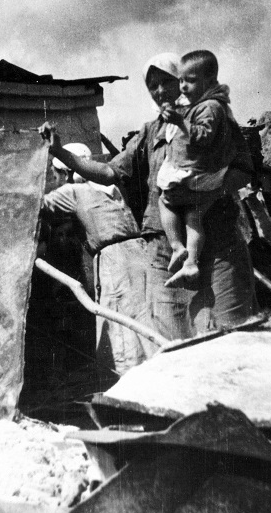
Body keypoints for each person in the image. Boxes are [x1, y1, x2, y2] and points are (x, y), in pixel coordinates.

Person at [39, 52, 256, 342]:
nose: (160, 91)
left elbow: (244, 170)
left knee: (232, 333)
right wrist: (60, 152)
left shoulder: (213, 116)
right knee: (172, 340)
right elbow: (108, 172)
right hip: (165, 252)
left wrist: (206, 191)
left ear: (182, 80)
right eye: (153, 86)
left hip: (217, 242)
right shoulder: (150, 132)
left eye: (167, 81)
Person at [42, 143, 152, 375]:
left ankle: (129, 379)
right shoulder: (112, 188)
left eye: (56, 175)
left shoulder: (73, 191)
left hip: (116, 262)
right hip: (140, 254)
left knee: (120, 328)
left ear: (67, 173)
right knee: (144, 321)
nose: (56, 180)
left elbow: (38, 207)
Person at [157, 50, 239, 289]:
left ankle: (176, 246)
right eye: (181, 80)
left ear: (210, 80)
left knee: (165, 200)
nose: (183, 86)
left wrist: (180, 122)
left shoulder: (210, 107)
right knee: (194, 216)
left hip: (194, 174)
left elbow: (203, 136)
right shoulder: (203, 105)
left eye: (190, 81)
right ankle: (191, 261)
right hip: (203, 177)